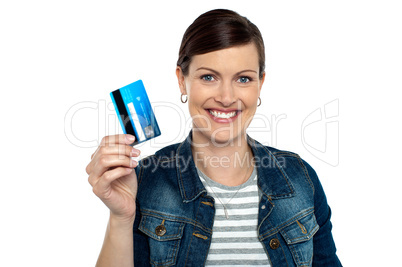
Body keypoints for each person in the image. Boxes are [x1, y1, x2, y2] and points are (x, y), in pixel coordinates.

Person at [86, 9, 342, 267]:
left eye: (243, 79)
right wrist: (121, 218)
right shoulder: (146, 180)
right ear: (182, 80)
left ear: (260, 83)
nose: (227, 97)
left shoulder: (299, 178)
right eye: (208, 77)